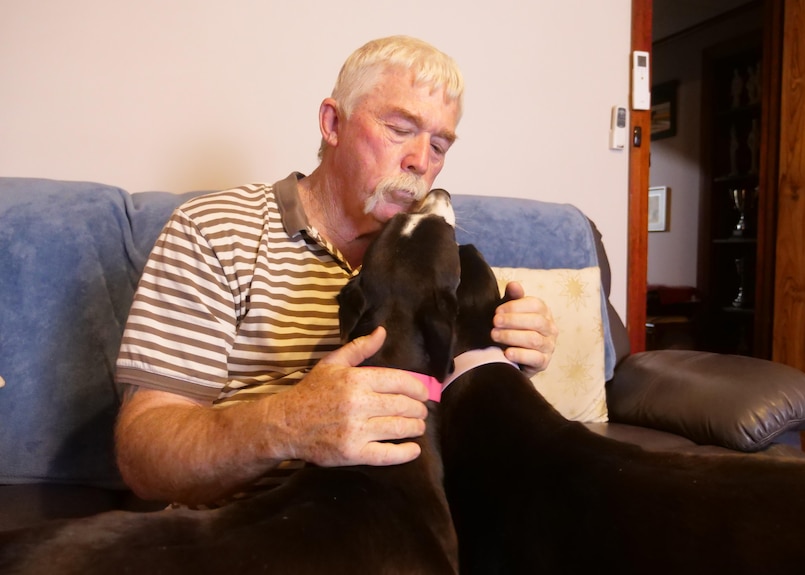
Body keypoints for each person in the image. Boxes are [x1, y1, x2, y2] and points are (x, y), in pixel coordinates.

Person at [114, 35, 558, 507]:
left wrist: (507, 353)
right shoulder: (214, 231)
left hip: (410, 522)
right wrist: (288, 424)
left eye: (439, 144)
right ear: (332, 124)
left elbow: (462, 416)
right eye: (399, 128)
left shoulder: (435, 254)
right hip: (258, 530)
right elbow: (145, 454)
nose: (420, 162)